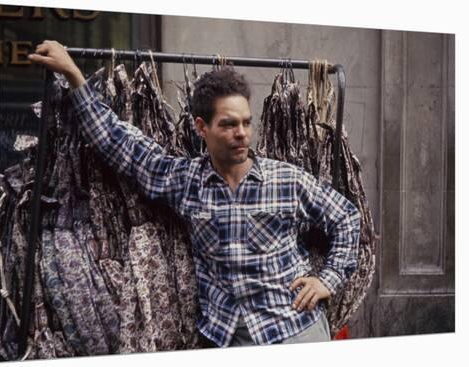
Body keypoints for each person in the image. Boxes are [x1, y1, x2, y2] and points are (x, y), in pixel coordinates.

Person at [28, 40, 361, 348]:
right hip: (226, 336)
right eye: (229, 124)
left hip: (294, 332)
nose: (242, 134)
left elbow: (347, 218)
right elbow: (119, 143)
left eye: (246, 123)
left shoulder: (287, 180)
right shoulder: (186, 182)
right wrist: (73, 74)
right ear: (202, 128)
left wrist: (327, 280)